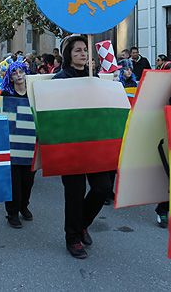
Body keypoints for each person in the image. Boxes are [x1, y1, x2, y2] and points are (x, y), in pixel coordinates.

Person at [53, 35, 111, 259]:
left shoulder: (94, 77)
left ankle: (83, 224)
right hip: (71, 146)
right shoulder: (60, 80)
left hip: (94, 143)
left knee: (103, 188)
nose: (83, 54)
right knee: (74, 195)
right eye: (77, 51)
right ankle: (72, 238)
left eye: (85, 50)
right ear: (69, 55)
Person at [0, 61, 36, 228]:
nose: (19, 75)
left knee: (28, 180)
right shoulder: (6, 94)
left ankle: (24, 206)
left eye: (21, 71)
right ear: (10, 77)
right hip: (12, 145)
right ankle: (12, 212)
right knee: (14, 181)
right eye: (15, 73)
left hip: (31, 144)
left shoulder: (35, 94)